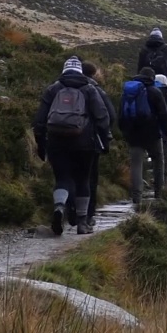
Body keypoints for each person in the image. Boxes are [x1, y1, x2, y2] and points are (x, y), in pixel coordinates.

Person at [32, 56, 111, 235]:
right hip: (85, 144)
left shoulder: (53, 89)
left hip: (56, 142)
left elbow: (39, 121)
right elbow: (103, 117)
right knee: (83, 180)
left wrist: (41, 144)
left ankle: (59, 207)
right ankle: (82, 223)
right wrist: (104, 140)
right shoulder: (90, 89)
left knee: (62, 178)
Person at [119, 66, 167, 205]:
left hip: (133, 134)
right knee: (158, 161)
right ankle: (159, 193)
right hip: (152, 134)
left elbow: (121, 114)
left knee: (136, 164)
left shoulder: (128, 92)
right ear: (152, 78)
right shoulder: (155, 92)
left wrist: (125, 132)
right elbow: (163, 114)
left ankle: (137, 196)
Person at [80, 61, 114, 231]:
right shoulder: (95, 90)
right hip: (88, 141)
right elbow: (109, 116)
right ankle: (87, 215)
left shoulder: (57, 87)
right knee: (89, 178)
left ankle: (65, 209)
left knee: (66, 176)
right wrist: (105, 138)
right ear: (93, 74)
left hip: (60, 140)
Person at [136, 28, 167, 94]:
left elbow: (140, 70)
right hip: (166, 85)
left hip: (147, 84)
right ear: (161, 37)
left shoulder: (143, 50)